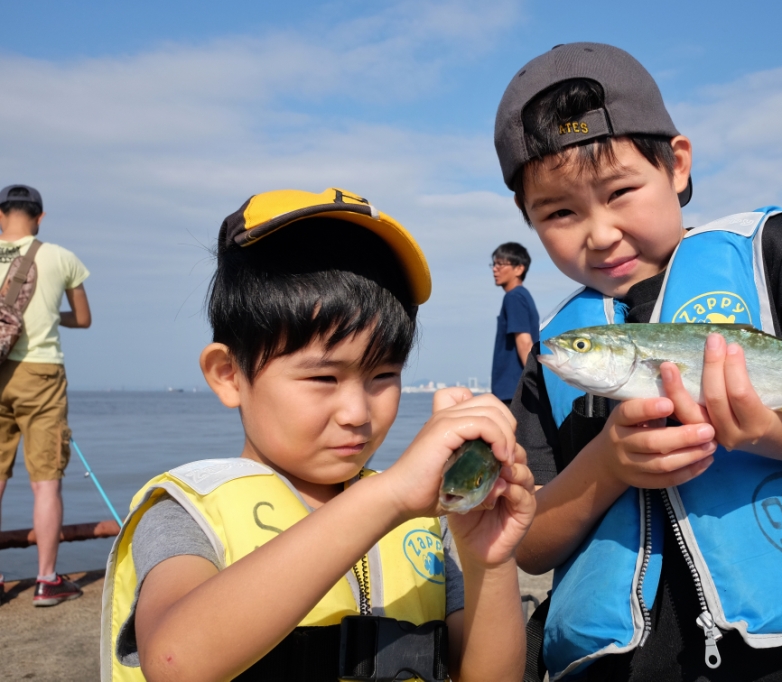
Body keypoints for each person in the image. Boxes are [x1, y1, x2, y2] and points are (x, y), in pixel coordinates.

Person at [493, 44, 782, 682]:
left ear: (678, 165)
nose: (600, 233)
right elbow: (530, 546)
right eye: (559, 212)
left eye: (621, 191)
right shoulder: (557, 354)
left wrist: (774, 431)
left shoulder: (780, 258)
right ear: (528, 219)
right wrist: (607, 464)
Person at [101, 188, 534, 681]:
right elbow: (175, 662)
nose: (357, 412)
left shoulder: (431, 524)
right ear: (229, 375)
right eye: (324, 378)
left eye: (384, 376)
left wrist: (489, 564)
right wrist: (389, 496)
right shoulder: (189, 513)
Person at [0, 184, 91, 606]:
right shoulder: (61, 257)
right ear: (40, 217)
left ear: (0, 215)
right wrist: (51, 315)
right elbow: (84, 318)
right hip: (41, 374)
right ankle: (47, 580)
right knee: (46, 482)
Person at [490, 242, 539, 405]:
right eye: (494, 264)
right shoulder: (523, 296)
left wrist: (538, 384)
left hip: (514, 392)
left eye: (500, 264)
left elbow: (525, 344)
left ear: (519, 269)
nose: (494, 269)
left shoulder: (514, 297)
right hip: (516, 390)